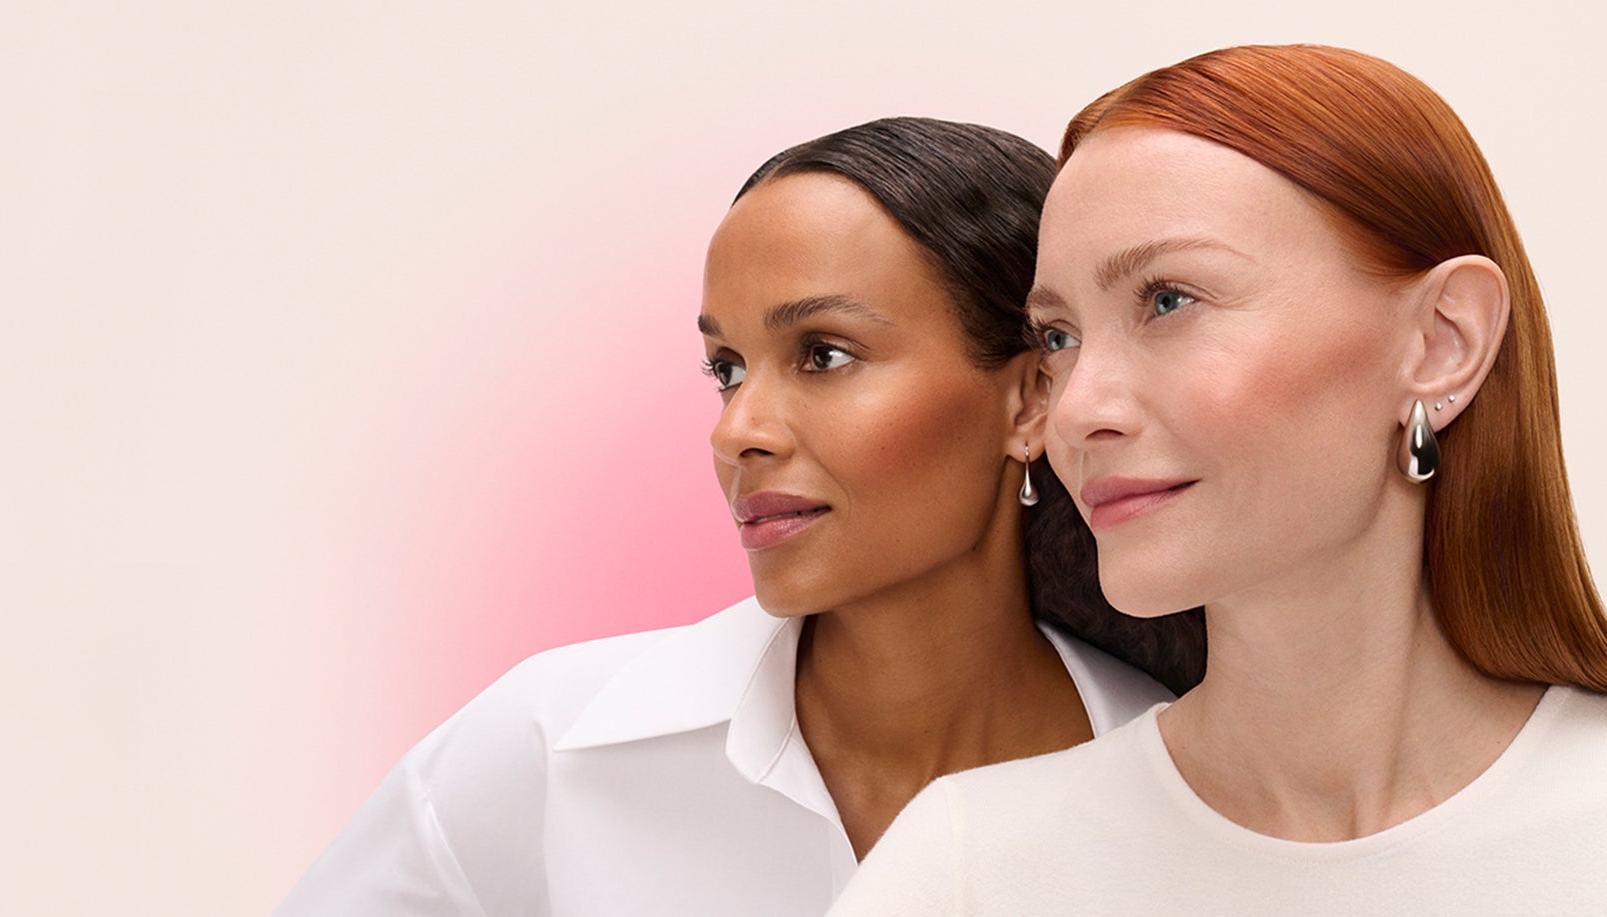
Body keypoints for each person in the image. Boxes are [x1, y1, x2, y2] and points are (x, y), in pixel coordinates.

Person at [829, 45, 1607, 915]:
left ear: (1442, 343)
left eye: (1168, 300)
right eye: (1060, 337)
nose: (1076, 411)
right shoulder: (964, 873)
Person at [276, 117, 1201, 916]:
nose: (737, 430)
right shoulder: (554, 748)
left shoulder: (1186, 804)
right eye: (726, 367)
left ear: (1032, 399)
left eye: (825, 354)